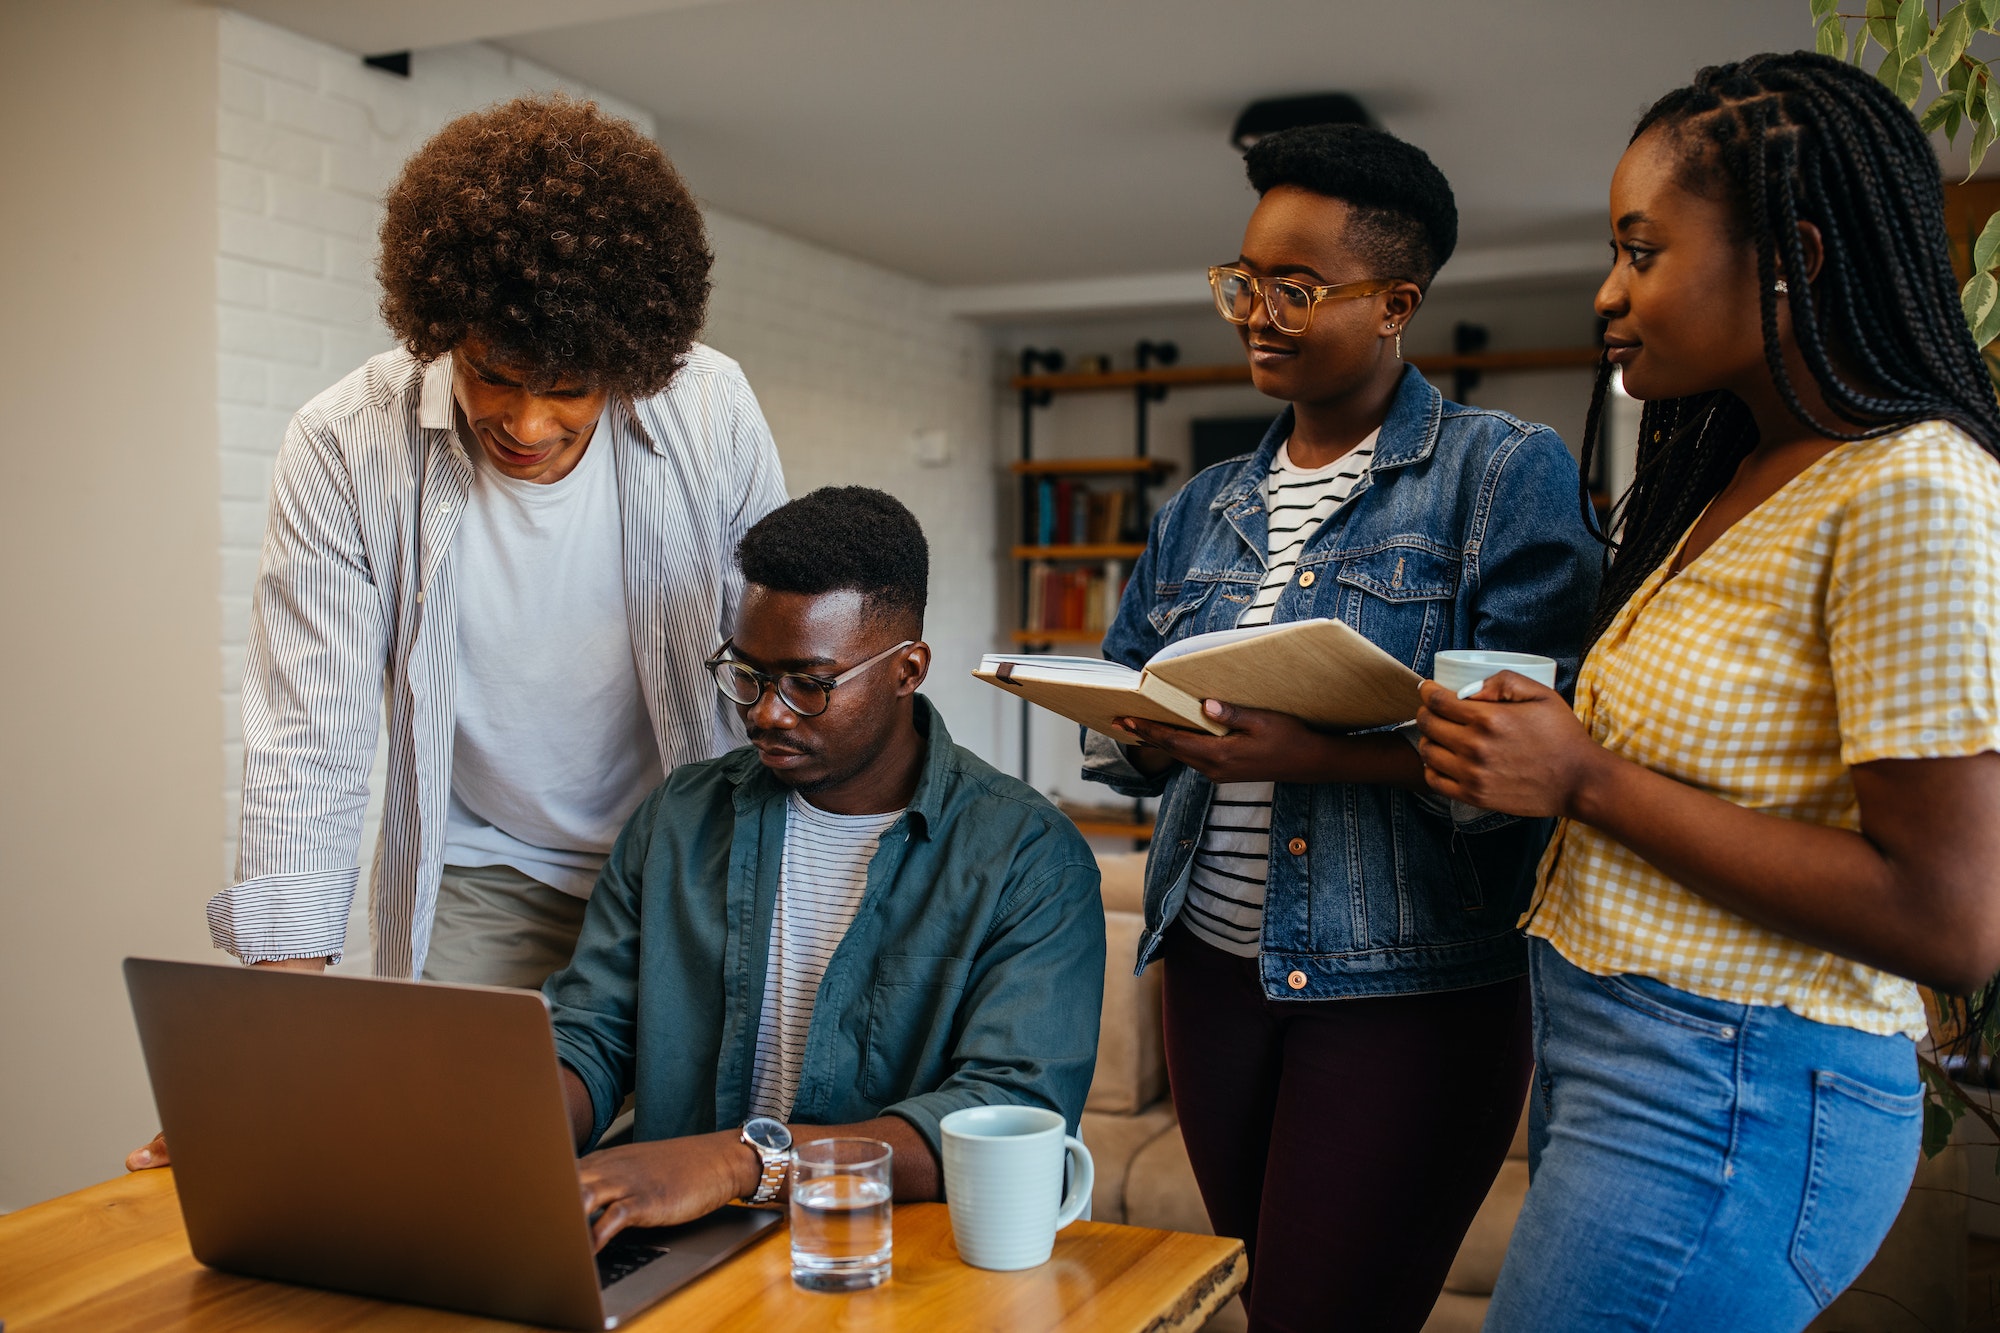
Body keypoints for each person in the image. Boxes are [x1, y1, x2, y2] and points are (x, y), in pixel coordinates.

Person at [1414, 53, 2000, 1331]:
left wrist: (1583, 776)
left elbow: (1949, 919)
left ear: (1790, 253)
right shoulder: (1739, 479)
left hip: (1735, 1086)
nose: (1606, 293)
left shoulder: (1910, 488)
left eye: (1641, 252)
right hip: (1621, 1054)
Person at [129, 95, 785, 1171]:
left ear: (630, 364)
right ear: (438, 330)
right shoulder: (345, 443)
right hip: (489, 871)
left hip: (679, 867)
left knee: (679, 1169)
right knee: (456, 1166)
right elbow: (312, 733)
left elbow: (772, 659)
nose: (526, 425)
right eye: (493, 374)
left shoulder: (709, 409)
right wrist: (274, 1040)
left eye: (567, 390)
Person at [1083, 124, 1601, 1331]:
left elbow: (1517, 768)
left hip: (1405, 991)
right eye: (1246, 281)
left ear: (1395, 305)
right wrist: (1143, 730)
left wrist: (1311, 754)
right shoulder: (1201, 508)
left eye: (1297, 288)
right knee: (1257, 1300)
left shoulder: (1496, 475)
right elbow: (1120, 709)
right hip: (1209, 972)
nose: (1257, 313)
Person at [542, 486, 1104, 1244]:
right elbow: (592, 1035)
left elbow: (1002, 1116)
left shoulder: (1028, 857)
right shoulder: (681, 816)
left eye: (809, 684)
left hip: (891, 1251)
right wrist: (518, 1119)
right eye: (748, 674)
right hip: (674, 1236)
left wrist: (739, 1163)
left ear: (908, 669)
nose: (766, 712)